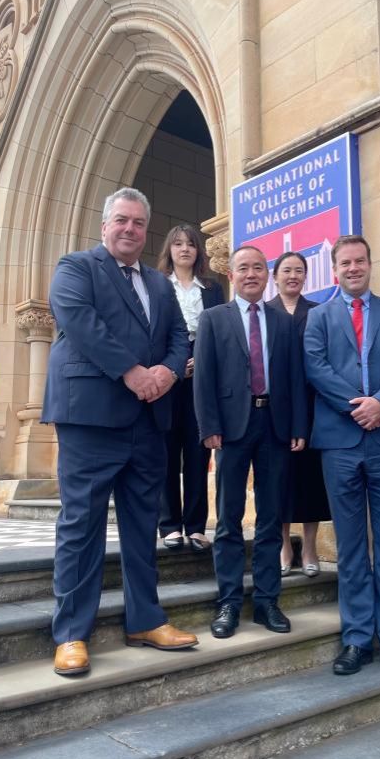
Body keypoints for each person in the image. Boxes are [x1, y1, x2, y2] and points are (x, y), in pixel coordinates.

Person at [41, 187, 198, 677]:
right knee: (81, 524)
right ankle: (71, 633)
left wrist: (167, 372)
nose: (130, 229)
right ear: (105, 225)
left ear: (146, 231)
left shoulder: (159, 284)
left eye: (138, 222)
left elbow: (178, 335)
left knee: (143, 523)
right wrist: (134, 373)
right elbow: (82, 324)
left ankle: (146, 620)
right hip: (91, 415)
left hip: (148, 420)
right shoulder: (76, 267)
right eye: (122, 220)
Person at [304, 235, 380, 677]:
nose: (353, 268)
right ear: (334, 270)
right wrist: (358, 406)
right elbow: (316, 368)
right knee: (350, 547)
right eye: (345, 263)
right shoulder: (319, 318)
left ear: (370, 264)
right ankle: (355, 638)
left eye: (359, 261)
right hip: (340, 442)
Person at [193, 245, 308, 639]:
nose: (251, 274)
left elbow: (295, 377)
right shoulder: (213, 319)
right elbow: (204, 377)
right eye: (243, 268)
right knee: (228, 518)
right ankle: (228, 601)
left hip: (275, 424)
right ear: (231, 275)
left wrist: (298, 425)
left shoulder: (283, 321)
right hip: (231, 428)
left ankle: (266, 601)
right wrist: (209, 426)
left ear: (266, 275)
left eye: (258, 267)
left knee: (271, 517)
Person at [156, 225, 224, 553]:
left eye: (191, 244)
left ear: (199, 251)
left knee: (198, 452)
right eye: (178, 243)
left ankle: (196, 526)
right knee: (167, 451)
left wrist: (202, 359)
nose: (184, 249)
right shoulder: (156, 285)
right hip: (167, 374)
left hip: (201, 376)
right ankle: (169, 525)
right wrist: (173, 365)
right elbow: (151, 332)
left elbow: (220, 332)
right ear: (169, 250)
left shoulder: (212, 289)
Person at [268, 251, 331, 576]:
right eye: (286, 270)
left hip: (312, 406)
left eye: (299, 270)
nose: (292, 276)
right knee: (278, 479)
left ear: (306, 277)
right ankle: (283, 545)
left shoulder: (318, 312)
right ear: (275, 276)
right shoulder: (264, 312)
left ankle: (308, 546)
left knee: (309, 480)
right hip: (274, 409)